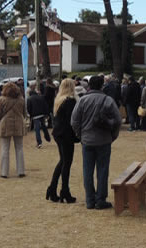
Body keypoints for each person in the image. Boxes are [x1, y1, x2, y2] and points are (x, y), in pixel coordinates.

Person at [70, 75, 121, 210]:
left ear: (89, 86)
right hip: (104, 139)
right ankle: (100, 199)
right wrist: (112, 136)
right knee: (103, 170)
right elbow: (118, 120)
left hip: (87, 140)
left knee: (87, 171)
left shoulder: (82, 101)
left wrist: (80, 135)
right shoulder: (108, 100)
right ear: (102, 86)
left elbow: (74, 121)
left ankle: (89, 200)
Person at [46, 79, 79, 204]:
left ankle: (52, 188)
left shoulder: (59, 100)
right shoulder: (70, 101)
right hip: (66, 134)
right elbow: (73, 120)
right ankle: (64, 190)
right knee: (66, 163)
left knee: (63, 161)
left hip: (59, 133)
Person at [0, 82, 26, 178]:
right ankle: (21, 171)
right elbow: (24, 112)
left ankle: (4, 172)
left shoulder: (2, 99)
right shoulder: (21, 99)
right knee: (19, 148)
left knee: (5, 149)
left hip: (5, 124)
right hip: (18, 123)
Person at [26, 83, 52, 149]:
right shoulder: (41, 97)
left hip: (35, 115)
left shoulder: (29, 99)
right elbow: (45, 105)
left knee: (37, 129)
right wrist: (46, 113)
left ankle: (39, 142)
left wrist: (30, 114)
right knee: (44, 127)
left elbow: (28, 108)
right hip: (42, 114)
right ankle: (48, 137)